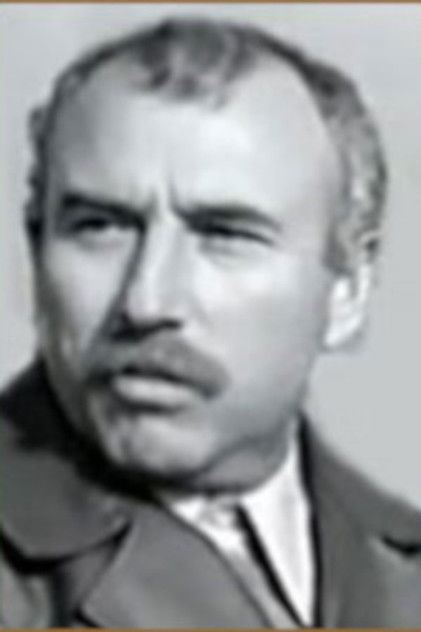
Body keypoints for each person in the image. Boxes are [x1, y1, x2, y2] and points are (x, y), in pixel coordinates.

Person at [1, 17, 420, 628]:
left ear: (348, 292)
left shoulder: (398, 564)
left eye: (224, 235)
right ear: (36, 254)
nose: (146, 301)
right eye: (99, 226)